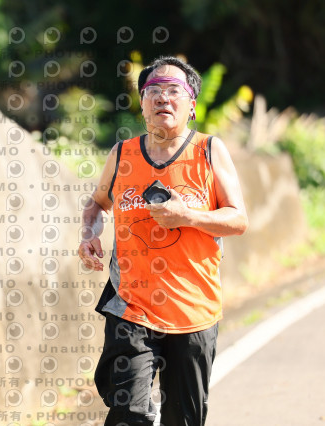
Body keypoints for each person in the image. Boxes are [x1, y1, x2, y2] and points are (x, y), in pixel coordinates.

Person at [78, 56, 248, 426]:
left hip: (193, 310)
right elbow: (96, 204)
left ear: (192, 105)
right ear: (142, 104)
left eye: (174, 90)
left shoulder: (208, 150)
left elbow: (238, 219)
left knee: (183, 420)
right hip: (131, 306)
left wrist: (189, 217)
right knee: (128, 413)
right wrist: (89, 234)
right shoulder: (122, 154)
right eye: (152, 91)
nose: (162, 98)